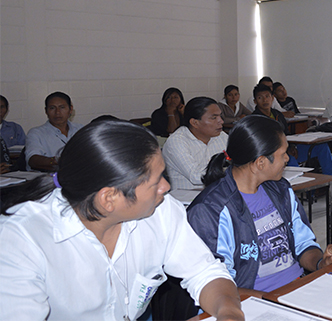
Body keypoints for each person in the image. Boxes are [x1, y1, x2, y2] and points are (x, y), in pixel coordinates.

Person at [0, 120, 243, 321]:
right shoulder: (21, 240)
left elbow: (204, 271)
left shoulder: (160, 210)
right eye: (156, 181)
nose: (166, 187)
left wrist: (229, 311)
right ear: (109, 198)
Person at [187, 115, 332, 297]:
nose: (287, 159)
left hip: (294, 289)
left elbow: (303, 244)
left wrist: (322, 262)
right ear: (261, 162)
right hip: (251, 301)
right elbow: (216, 287)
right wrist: (272, 300)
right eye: (283, 154)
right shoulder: (210, 210)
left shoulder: (280, 190)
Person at [251, 85, 332, 176]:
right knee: (290, 159)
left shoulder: (277, 114)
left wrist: (292, 147)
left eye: (267, 96)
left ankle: (329, 181)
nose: (264, 100)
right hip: (272, 155)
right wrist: (284, 150)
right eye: (260, 98)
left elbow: (286, 134)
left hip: (287, 149)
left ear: (272, 98)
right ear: (255, 101)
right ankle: (302, 188)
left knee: (321, 147)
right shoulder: (254, 119)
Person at [162, 97, 228, 190]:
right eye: (214, 118)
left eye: (220, 116)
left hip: (216, 196)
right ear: (195, 123)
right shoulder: (176, 142)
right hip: (188, 201)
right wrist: (233, 171)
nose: (221, 121)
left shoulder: (221, 136)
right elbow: (196, 176)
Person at [25, 92, 84, 171]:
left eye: (62, 107)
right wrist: (57, 161)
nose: (57, 112)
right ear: (46, 111)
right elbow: (32, 160)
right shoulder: (36, 133)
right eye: (52, 108)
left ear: (70, 109)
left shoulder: (80, 129)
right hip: (49, 178)